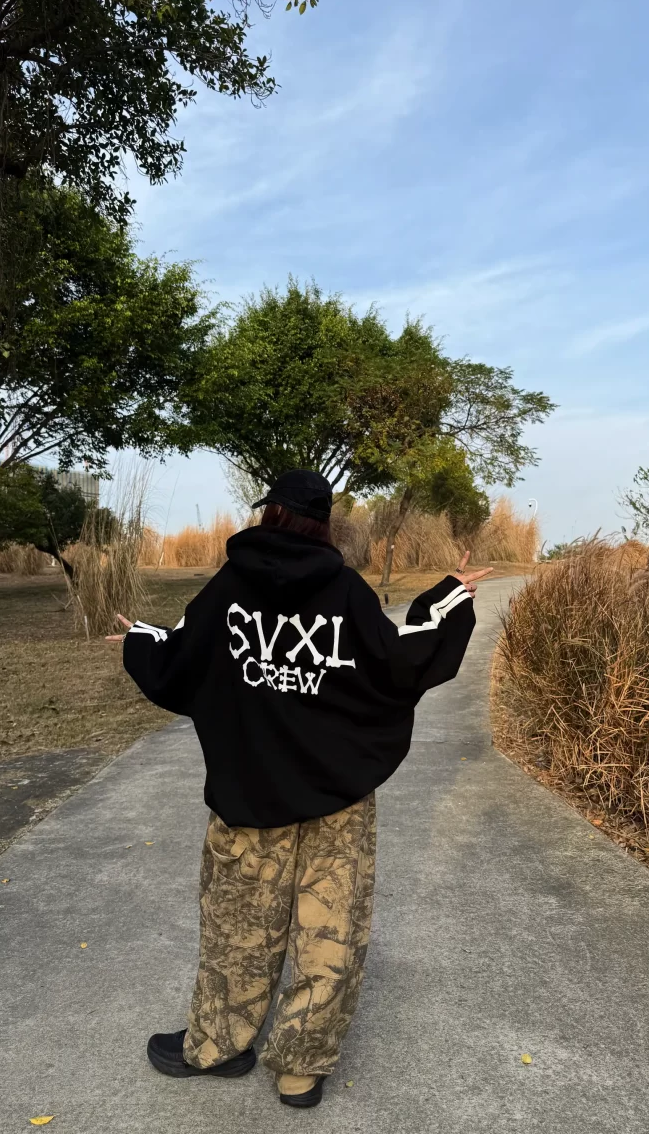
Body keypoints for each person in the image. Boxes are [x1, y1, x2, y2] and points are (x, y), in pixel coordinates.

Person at [107, 468, 490, 1108]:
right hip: (337, 800)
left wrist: (143, 641)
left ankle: (218, 1045)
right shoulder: (346, 591)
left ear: (270, 514)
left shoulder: (229, 588)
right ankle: (300, 1070)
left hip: (250, 798)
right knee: (329, 934)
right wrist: (446, 599)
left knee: (238, 928)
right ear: (323, 522)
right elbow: (397, 661)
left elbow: (183, 657)